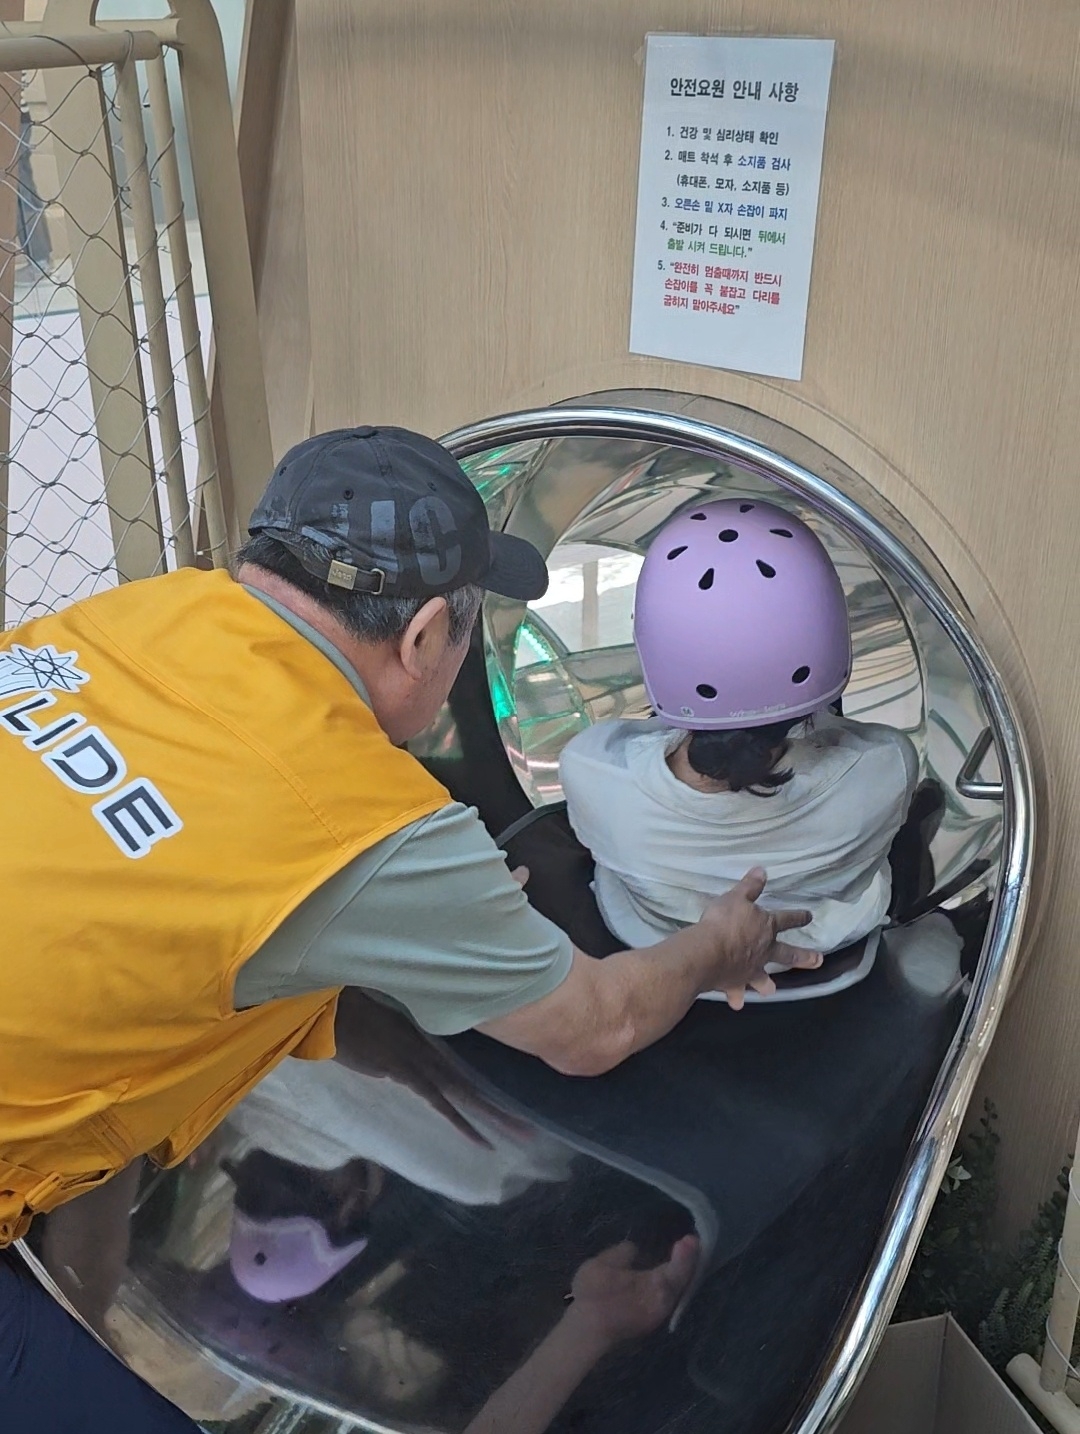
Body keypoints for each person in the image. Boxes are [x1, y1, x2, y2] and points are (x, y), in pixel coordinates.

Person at [0, 427, 819, 1432]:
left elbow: (150, 902)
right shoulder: (360, 818)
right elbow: (597, 1027)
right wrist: (723, 945)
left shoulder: (135, 616)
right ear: (429, 635)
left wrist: (410, 929)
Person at [561, 498, 918, 962]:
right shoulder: (887, 765)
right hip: (829, 946)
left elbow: (633, 743)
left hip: (656, 948)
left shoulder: (589, 769)